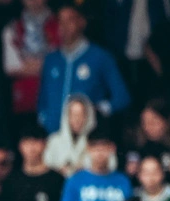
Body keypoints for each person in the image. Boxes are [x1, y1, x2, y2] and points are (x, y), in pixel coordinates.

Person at [35, 4, 130, 135]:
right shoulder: (51, 60)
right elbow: (42, 100)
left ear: (82, 22)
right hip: (54, 138)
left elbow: (122, 97)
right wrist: (45, 119)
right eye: (60, 21)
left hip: (88, 139)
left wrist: (98, 110)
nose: (64, 27)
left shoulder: (100, 57)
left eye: (70, 20)